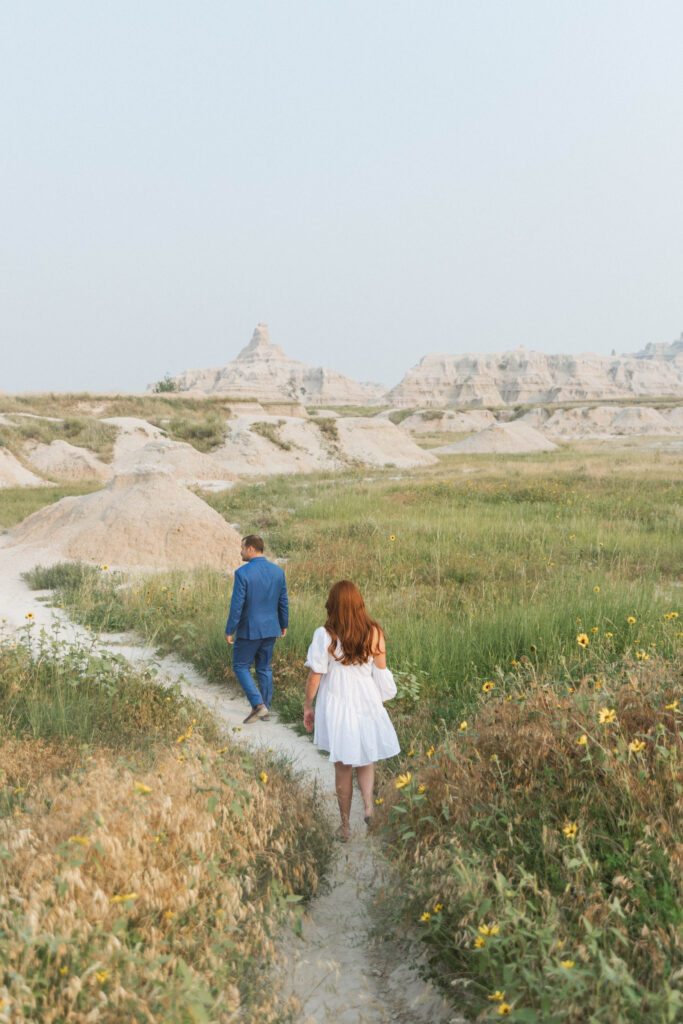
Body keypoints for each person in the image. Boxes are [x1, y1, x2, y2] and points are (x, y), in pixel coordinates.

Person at [303, 579, 400, 841]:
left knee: (343, 765)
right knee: (366, 757)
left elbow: (315, 676)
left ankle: (345, 827)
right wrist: (379, 699)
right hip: (366, 700)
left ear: (332, 604)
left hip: (337, 704)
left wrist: (308, 706)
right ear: (360, 603)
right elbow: (381, 673)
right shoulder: (374, 632)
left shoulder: (325, 635)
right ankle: (368, 806)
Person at [225, 534, 289, 724]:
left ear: (251, 549)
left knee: (240, 666)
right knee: (264, 668)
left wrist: (230, 629)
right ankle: (265, 709)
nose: (241, 551)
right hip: (271, 628)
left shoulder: (242, 573)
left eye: (243, 548)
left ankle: (258, 704)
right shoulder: (278, 572)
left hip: (250, 629)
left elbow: (237, 605)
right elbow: (283, 600)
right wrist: (283, 624)